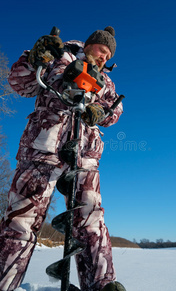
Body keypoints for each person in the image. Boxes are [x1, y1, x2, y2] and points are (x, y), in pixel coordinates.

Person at [0, 26, 125, 291]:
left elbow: (116, 110)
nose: (104, 57)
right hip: (42, 147)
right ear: (90, 44)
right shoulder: (59, 55)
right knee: (21, 219)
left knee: (91, 220)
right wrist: (35, 58)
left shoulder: (106, 81)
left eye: (108, 54)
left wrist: (100, 113)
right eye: (102, 50)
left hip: (84, 155)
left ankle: (101, 285)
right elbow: (19, 83)